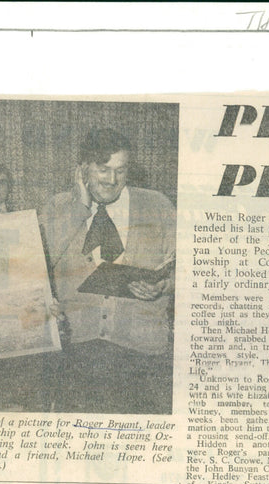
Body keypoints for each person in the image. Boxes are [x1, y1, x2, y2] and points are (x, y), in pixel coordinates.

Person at [39, 128, 176, 413]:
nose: (112, 180)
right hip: (76, 354)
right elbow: (38, 264)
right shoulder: (58, 207)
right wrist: (80, 206)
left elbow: (191, 270)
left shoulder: (158, 205)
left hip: (142, 358)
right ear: (82, 169)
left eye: (121, 170)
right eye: (103, 170)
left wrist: (164, 285)